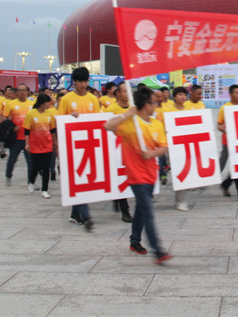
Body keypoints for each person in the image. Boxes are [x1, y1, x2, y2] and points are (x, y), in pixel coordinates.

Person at [103, 86, 172, 264]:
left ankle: (134, 241)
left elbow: (164, 147)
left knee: (141, 209)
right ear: (146, 105)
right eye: (154, 102)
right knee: (148, 211)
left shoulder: (156, 124)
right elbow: (107, 125)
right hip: (135, 175)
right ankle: (158, 250)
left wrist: (152, 153)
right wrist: (128, 113)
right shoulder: (130, 124)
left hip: (151, 174)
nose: (156, 104)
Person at [57, 67, 100, 230]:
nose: (82, 84)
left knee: (84, 179)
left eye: (85, 81)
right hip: (72, 144)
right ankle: (83, 214)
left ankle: (76, 214)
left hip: (89, 143)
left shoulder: (93, 99)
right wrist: (70, 118)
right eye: (79, 81)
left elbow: (98, 120)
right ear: (74, 82)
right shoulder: (67, 99)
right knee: (78, 177)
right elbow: (59, 121)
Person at [101, 83, 134, 222]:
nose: (127, 94)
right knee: (121, 178)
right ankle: (125, 212)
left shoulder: (134, 108)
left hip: (132, 148)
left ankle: (117, 198)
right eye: (124, 91)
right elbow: (105, 127)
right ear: (118, 94)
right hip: (117, 149)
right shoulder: (111, 109)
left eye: (129, 91)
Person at [217, 84, 238, 203]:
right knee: (228, 162)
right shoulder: (224, 108)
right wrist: (226, 130)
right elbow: (219, 125)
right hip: (228, 142)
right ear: (230, 94)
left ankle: (228, 186)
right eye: (236, 93)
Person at [23, 94, 57, 198]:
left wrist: (55, 142)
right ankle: (31, 181)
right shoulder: (31, 114)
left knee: (46, 168)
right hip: (35, 144)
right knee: (36, 166)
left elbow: (52, 129)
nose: (49, 105)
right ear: (42, 103)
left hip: (47, 144)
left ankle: (45, 190)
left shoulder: (49, 113)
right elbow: (27, 130)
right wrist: (27, 143)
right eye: (47, 103)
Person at [3, 84, 34, 186]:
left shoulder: (32, 104)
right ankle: (8, 176)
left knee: (30, 161)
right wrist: (12, 127)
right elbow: (5, 118)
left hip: (28, 138)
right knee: (12, 159)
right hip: (16, 138)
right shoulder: (11, 104)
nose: (22, 92)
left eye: (24, 90)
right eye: (20, 90)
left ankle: (31, 181)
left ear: (27, 92)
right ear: (16, 92)